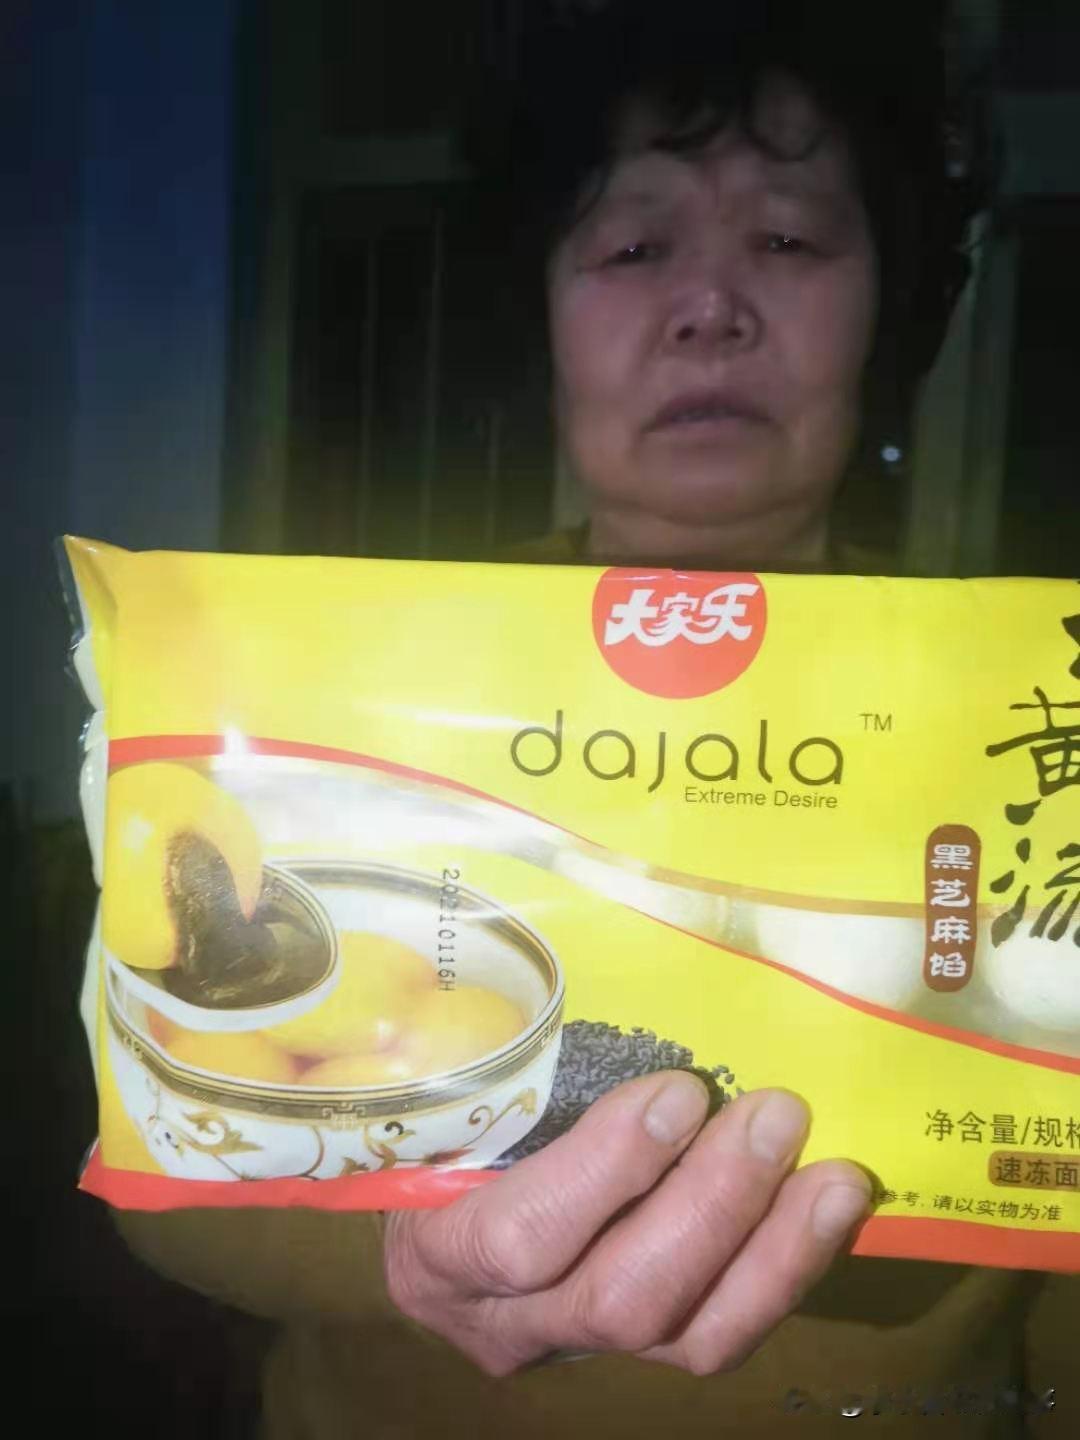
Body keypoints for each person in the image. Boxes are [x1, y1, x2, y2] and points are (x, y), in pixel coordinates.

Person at [118, 3, 1076, 1435]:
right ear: (543, 307)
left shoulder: (1028, 730)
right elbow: (157, 1173)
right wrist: (401, 1254)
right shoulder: (346, 702)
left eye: (789, 239)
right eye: (634, 248)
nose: (710, 307)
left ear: (895, 299)